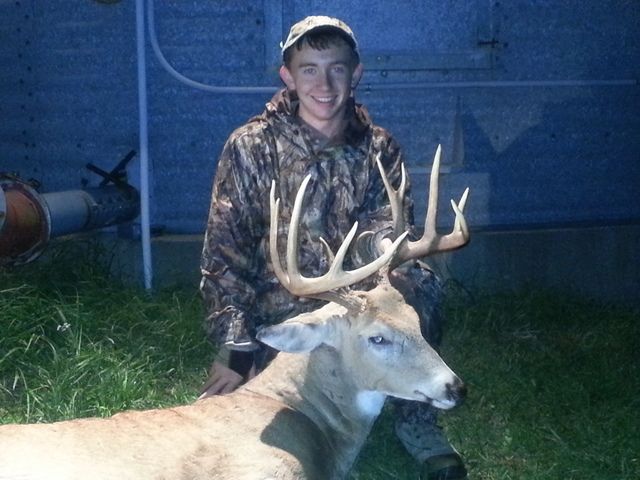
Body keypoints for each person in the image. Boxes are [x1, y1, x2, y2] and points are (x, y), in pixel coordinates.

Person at [199, 15, 467, 480]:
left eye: (336, 68)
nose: (323, 83)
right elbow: (225, 253)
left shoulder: (380, 148)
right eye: (309, 68)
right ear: (288, 76)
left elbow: (389, 225)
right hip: (281, 312)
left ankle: (416, 418)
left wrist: (388, 258)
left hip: (359, 303)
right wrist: (236, 348)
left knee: (422, 282)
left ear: (356, 73)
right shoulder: (250, 147)